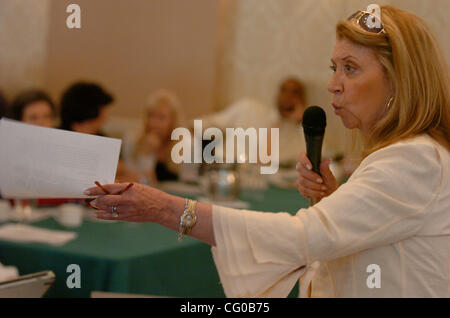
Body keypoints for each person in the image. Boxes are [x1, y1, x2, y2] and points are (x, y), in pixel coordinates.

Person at [84, 4, 449, 297]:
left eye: (351, 69)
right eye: (334, 67)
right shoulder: (408, 153)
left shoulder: (413, 158)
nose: (332, 85)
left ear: (399, 81)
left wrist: (163, 208)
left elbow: (303, 238)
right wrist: (334, 198)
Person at [119, 89, 184, 184]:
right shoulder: (132, 139)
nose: (154, 122)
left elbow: (188, 183)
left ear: (173, 120)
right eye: (151, 116)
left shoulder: (183, 144)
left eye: (162, 117)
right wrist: (146, 153)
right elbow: (135, 181)